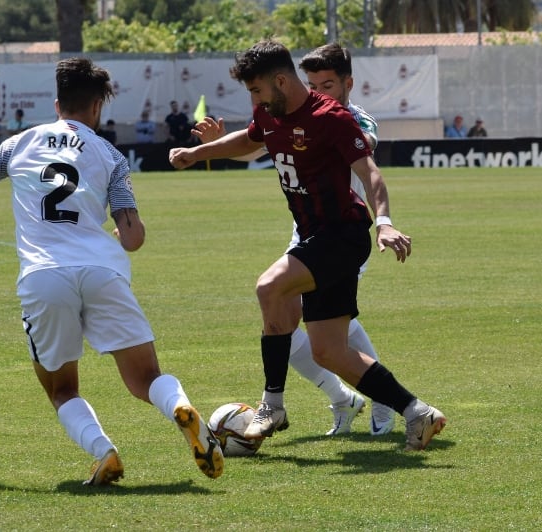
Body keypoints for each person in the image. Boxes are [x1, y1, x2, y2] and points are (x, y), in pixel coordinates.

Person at [0, 57, 224, 484]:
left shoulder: (19, 144)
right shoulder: (110, 155)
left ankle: (105, 452)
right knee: (146, 378)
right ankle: (179, 406)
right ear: (98, 107)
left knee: (61, 388)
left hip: (45, 276)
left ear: (57, 103)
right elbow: (133, 236)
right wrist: (123, 232)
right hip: (102, 271)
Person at [169, 40, 446, 451]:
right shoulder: (270, 111)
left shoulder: (331, 117)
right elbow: (248, 140)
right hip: (315, 235)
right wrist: (197, 153)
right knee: (330, 352)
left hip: (342, 235)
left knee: (269, 286)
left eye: (257, 90)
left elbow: (370, 173)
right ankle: (417, 412)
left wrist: (384, 223)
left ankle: (272, 404)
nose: (254, 100)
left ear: (281, 81)